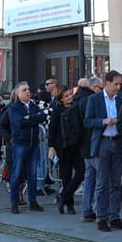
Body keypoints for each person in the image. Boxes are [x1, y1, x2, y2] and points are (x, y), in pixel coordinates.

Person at [83, 70, 122, 232]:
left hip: (117, 142)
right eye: (115, 84)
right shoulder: (94, 99)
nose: (118, 87)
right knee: (102, 182)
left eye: (120, 84)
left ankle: (115, 216)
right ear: (107, 83)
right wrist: (103, 121)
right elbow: (88, 121)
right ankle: (101, 217)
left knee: (116, 182)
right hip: (103, 142)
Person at [3, 84, 45, 214]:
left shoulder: (33, 105)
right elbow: (19, 122)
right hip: (20, 143)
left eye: (28, 89)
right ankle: (14, 202)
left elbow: (42, 117)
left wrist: (30, 118)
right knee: (16, 173)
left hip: (33, 143)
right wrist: (33, 119)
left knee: (32, 173)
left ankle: (33, 201)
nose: (28, 92)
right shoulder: (14, 107)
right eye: (24, 90)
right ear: (17, 93)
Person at [49, 84, 86, 213]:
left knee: (81, 172)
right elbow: (52, 129)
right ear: (61, 99)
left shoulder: (77, 107)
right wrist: (51, 147)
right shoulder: (57, 110)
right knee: (66, 176)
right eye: (66, 96)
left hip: (76, 146)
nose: (70, 97)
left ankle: (63, 196)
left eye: (70, 94)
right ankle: (69, 205)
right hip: (63, 147)